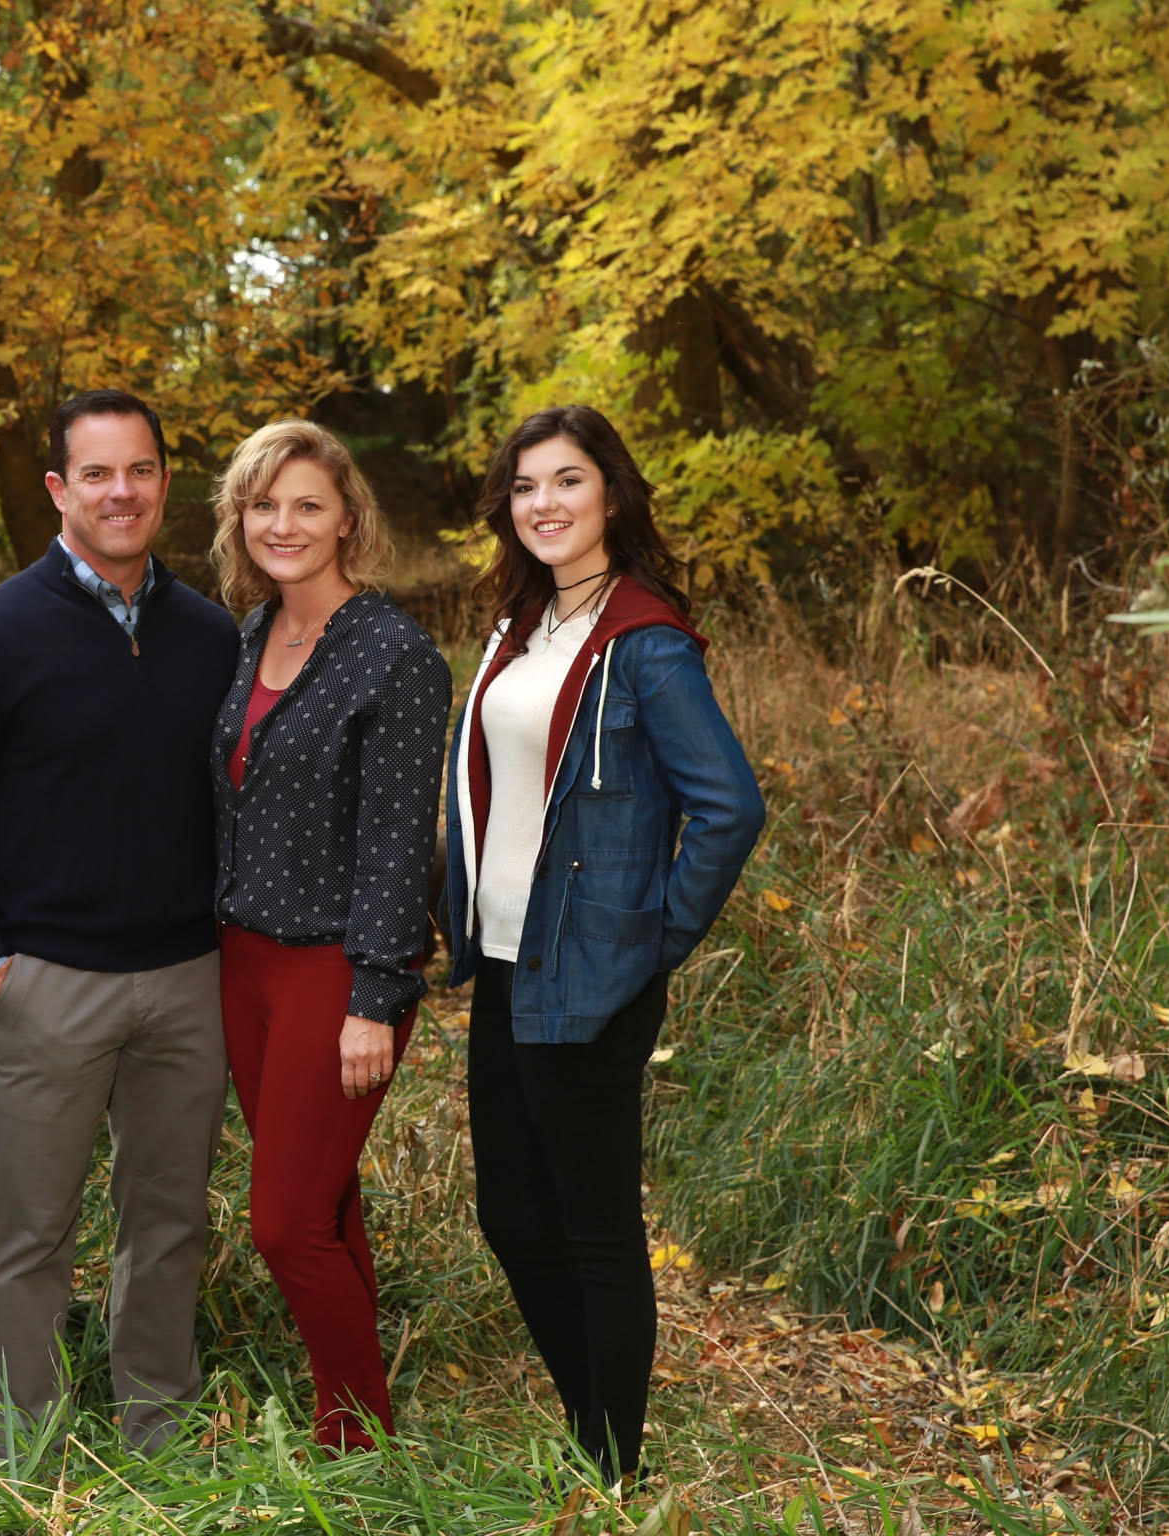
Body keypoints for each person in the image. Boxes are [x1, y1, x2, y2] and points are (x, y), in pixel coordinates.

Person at [0, 388, 240, 1452]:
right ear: (59, 488)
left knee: (169, 1222)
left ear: (165, 483)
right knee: (30, 1233)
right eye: (97, 473)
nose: (120, 492)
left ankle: (158, 1428)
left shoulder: (212, 635)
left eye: (139, 470)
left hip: (187, 979)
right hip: (44, 983)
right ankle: (21, 1443)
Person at [437, 405, 765, 1486]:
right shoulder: (522, 625)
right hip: (505, 957)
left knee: (594, 1225)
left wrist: (651, 940)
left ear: (612, 496)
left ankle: (611, 1465)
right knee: (510, 1213)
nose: (545, 503)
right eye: (525, 485)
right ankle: (596, 1426)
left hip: (591, 970)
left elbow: (729, 805)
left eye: (567, 480)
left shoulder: (645, 642)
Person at [205, 421, 451, 1453]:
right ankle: (353, 1411)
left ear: (349, 517)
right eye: (264, 505)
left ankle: (357, 1438)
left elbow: (399, 839)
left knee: (284, 1223)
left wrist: (376, 996)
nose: (284, 524)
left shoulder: (395, 655)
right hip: (242, 963)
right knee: (323, 1198)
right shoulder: (251, 635)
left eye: (308, 504)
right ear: (239, 519)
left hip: (332, 968)